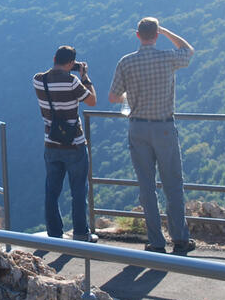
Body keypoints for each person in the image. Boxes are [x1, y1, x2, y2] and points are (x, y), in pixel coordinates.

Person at [108, 17, 195, 255]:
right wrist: (167, 31)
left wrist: (133, 96)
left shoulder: (126, 62)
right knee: (173, 185)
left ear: (137, 35)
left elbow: (113, 97)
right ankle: (179, 239)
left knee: (147, 187)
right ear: (156, 35)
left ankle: (156, 242)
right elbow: (188, 50)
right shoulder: (167, 57)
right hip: (164, 127)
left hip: (138, 128)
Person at [33, 45, 98, 241]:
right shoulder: (73, 82)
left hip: (51, 143)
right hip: (75, 144)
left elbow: (48, 75)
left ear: (54, 58)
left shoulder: (38, 80)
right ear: (71, 63)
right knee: (78, 190)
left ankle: (54, 233)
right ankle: (80, 233)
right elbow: (92, 100)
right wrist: (85, 76)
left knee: (51, 190)